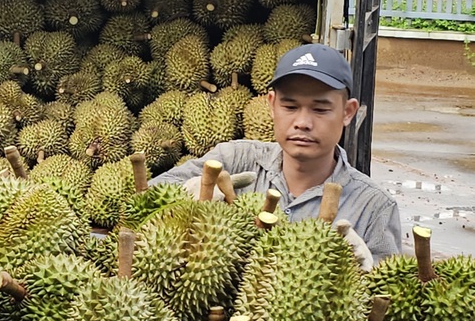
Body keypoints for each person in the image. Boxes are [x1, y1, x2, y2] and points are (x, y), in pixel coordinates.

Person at [148, 43, 402, 267]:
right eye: (290, 107)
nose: (302, 122)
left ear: (348, 112)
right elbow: (141, 200)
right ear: (271, 104)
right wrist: (182, 198)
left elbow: (391, 303)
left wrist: (366, 277)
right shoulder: (234, 159)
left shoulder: (374, 207)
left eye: (320, 109)